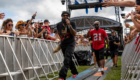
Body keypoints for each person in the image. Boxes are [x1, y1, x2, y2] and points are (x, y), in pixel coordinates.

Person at [56, 11, 78, 80]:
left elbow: (74, 34)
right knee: (68, 59)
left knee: (67, 59)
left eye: (67, 15)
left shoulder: (72, 23)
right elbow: (59, 33)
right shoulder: (59, 24)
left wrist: (69, 26)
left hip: (71, 43)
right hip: (63, 44)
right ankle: (75, 72)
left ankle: (62, 76)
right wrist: (61, 40)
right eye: (64, 15)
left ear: (69, 17)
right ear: (62, 16)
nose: (65, 16)